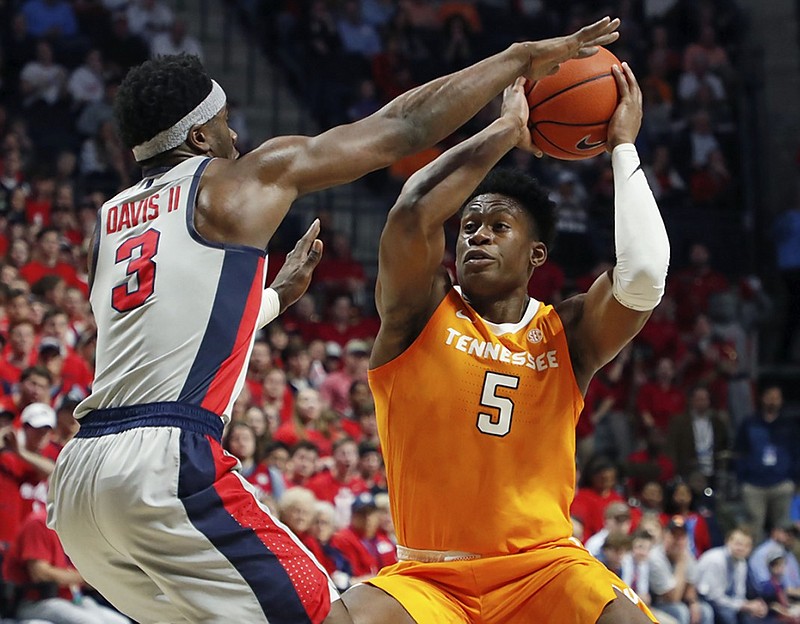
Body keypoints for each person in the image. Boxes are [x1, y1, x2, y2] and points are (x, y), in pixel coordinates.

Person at [48, 23, 622, 622]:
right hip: (161, 464)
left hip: (82, 482)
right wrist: (516, 60)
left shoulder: (110, 221)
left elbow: (152, 327)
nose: (235, 135)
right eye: (223, 124)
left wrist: (269, 302)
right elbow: (401, 129)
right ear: (198, 134)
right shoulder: (235, 181)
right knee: (322, 612)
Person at [340, 62, 667, 622]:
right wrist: (503, 133)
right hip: (429, 573)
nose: (477, 236)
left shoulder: (567, 333)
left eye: (497, 227)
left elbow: (643, 276)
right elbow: (414, 211)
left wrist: (622, 149)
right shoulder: (421, 311)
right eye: (469, 227)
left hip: (543, 569)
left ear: (536, 255)